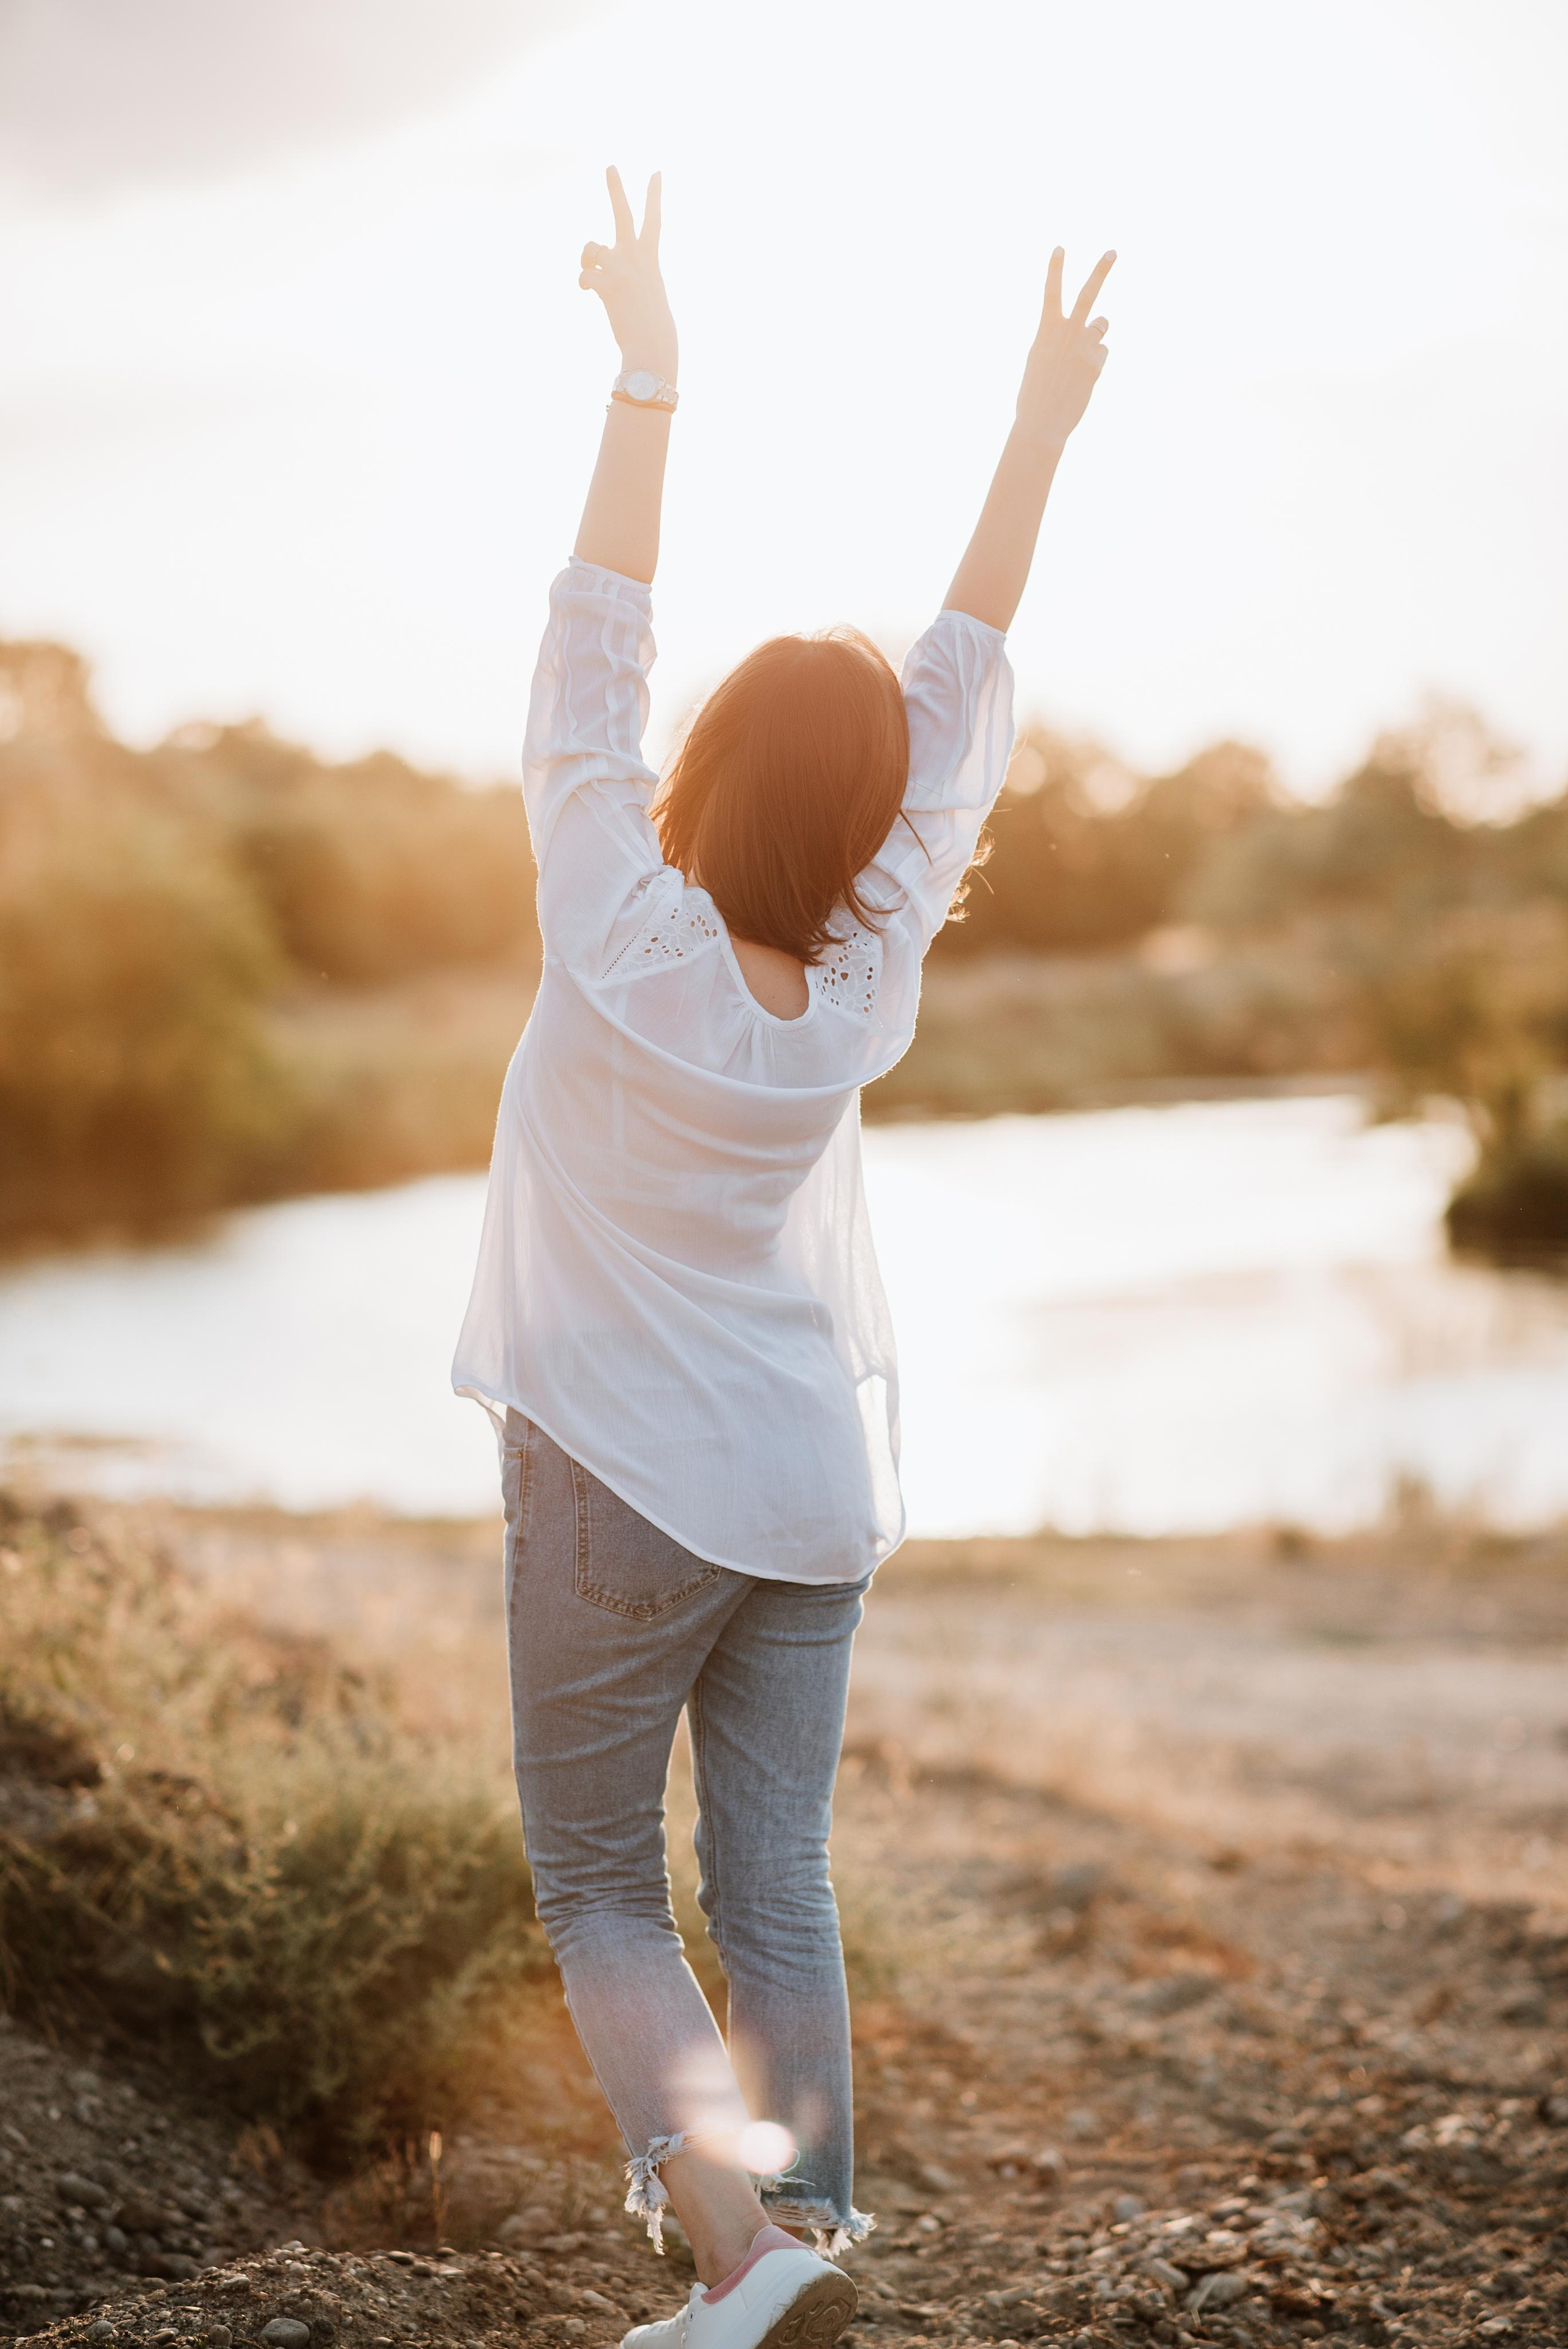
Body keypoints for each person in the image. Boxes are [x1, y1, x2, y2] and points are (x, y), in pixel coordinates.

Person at [452, 167, 1112, 2349]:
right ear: (871, 825)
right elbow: (966, 677)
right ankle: (806, 2240)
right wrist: (1036, 434)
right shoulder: (870, 974)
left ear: (702, 768)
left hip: (621, 1483)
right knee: (779, 1883)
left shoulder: (616, 923)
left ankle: (739, 2263)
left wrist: (650, 371)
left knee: (594, 1878)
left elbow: (593, 637)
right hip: (808, 1488)